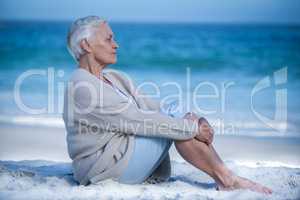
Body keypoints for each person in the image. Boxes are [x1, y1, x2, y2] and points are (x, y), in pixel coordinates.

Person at [63, 16, 272, 194]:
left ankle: (225, 176)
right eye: (109, 39)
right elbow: (138, 121)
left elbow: (152, 107)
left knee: (176, 109)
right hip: (105, 169)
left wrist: (197, 120)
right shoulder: (82, 85)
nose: (116, 44)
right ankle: (227, 179)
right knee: (177, 118)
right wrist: (191, 127)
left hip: (124, 159)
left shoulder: (115, 78)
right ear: (86, 45)